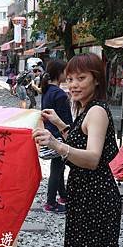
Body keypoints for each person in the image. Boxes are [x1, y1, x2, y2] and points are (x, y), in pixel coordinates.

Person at [33, 53, 123, 247]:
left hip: (98, 196)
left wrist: (57, 145)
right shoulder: (85, 110)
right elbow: (80, 139)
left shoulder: (96, 111)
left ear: (96, 80)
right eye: (70, 78)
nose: (73, 84)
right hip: (88, 194)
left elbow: (93, 156)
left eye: (81, 78)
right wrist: (60, 124)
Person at [39, 60, 72, 213]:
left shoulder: (47, 91)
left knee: (58, 168)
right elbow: (66, 119)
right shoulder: (59, 94)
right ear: (59, 73)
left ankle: (63, 196)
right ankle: (50, 203)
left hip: (49, 133)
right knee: (57, 170)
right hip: (59, 136)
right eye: (66, 71)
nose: (68, 74)